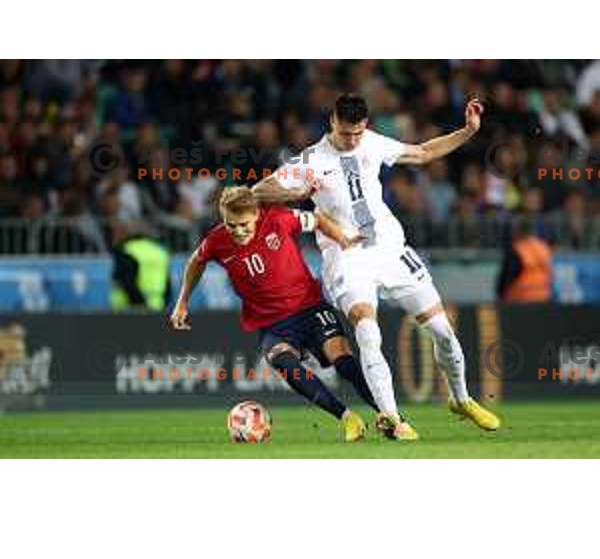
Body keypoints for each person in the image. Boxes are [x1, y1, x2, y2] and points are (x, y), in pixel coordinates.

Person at [253, 93, 501, 437]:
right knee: (368, 331)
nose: (351, 140)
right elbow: (259, 191)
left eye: (356, 133)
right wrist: (293, 194)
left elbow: (424, 152)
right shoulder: (309, 160)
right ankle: (392, 418)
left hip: (390, 249)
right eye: (345, 133)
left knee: (443, 330)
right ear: (332, 123)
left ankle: (461, 399)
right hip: (347, 255)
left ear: (365, 126)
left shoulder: (372, 143)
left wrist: (468, 131)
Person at [169, 186, 389, 442]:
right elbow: (196, 260)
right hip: (273, 324)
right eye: (231, 225)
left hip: (310, 308)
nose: (238, 231)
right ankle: (348, 418)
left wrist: (342, 239)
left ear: (257, 214)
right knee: (287, 366)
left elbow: (316, 219)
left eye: (244, 224)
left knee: (343, 362)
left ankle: (388, 414)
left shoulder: (278, 219)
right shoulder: (217, 241)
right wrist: (182, 302)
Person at [110, 222, 171, 311]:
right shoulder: (160, 252)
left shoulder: (126, 250)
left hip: (129, 309)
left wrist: (142, 306)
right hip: (157, 307)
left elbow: (127, 282)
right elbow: (168, 287)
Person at [497, 218, 553, 303]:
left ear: (517, 231)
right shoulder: (543, 247)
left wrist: (501, 296)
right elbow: (550, 272)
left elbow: (506, 277)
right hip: (543, 297)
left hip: (521, 298)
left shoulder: (517, 250)